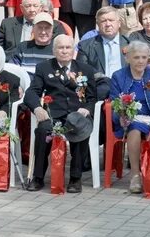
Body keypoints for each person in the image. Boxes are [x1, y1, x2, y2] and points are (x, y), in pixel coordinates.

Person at [25, 35, 108, 192]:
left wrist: (87, 109)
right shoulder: (44, 68)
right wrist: (37, 108)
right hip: (53, 114)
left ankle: (75, 179)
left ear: (73, 50)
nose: (64, 51)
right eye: (60, 48)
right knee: (42, 131)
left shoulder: (86, 69)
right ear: (54, 50)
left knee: (80, 127)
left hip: (78, 114)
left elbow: (92, 97)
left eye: (68, 47)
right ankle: (38, 177)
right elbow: (32, 92)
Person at [109, 41, 150, 194]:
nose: (141, 61)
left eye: (144, 57)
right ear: (128, 58)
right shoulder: (118, 76)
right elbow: (114, 102)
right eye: (136, 57)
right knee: (135, 129)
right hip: (128, 119)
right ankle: (135, 175)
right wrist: (121, 117)